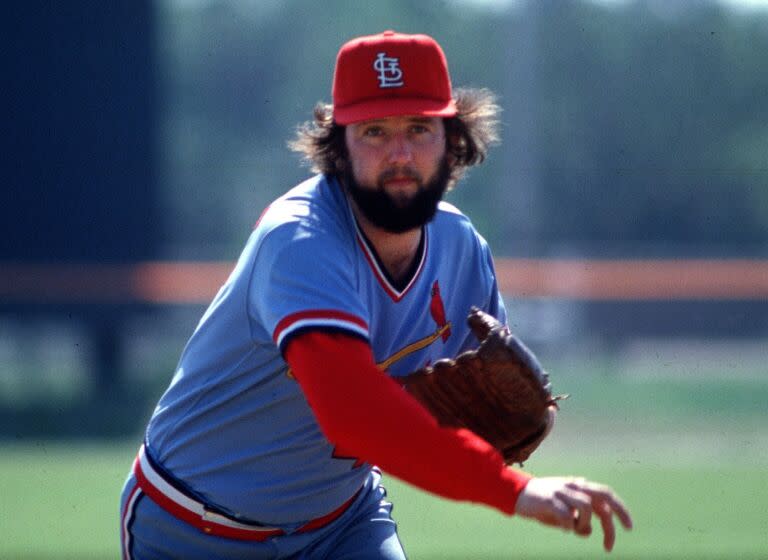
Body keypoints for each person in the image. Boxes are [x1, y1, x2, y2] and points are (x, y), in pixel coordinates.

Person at [120, 30, 632, 559]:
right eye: (374, 132)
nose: (400, 153)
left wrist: (514, 426)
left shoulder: (461, 249)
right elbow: (355, 414)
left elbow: (485, 401)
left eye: (418, 127)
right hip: (193, 527)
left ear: (452, 140)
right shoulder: (300, 240)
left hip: (343, 524)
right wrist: (512, 491)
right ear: (337, 146)